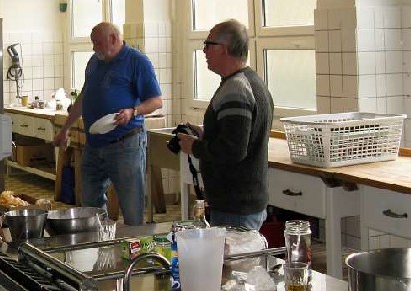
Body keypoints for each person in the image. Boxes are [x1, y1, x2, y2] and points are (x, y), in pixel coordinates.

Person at [54, 22, 162, 225]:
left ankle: (133, 241)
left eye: (97, 43)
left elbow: (156, 101)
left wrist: (133, 111)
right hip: (94, 145)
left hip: (125, 144)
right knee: (90, 203)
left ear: (113, 39)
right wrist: (65, 128)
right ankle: (99, 240)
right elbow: (84, 97)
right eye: (93, 43)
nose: (94, 47)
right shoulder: (94, 62)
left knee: (131, 206)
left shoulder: (137, 61)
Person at [175, 19, 274, 230]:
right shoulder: (251, 81)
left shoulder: (236, 89)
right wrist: (207, 135)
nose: (204, 51)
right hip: (241, 203)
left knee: (231, 253)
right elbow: (238, 136)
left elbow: (233, 150)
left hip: (235, 206)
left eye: (208, 44)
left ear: (225, 48)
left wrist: (195, 147)